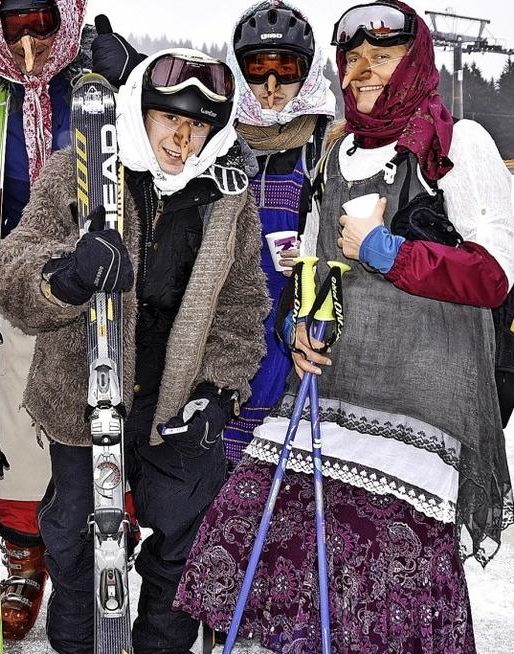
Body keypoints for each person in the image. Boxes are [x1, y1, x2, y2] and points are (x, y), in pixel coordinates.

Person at [175, 2, 514, 652]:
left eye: (382, 57)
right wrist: (303, 327)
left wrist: (385, 249)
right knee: (246, 533)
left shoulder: (455, 143)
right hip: (330, 398)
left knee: (379, 587)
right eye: (353, 58)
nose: (365, 72)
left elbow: (495, 273)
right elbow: (315, 262)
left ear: (413, 62)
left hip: (418, 414)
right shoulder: (337, 152)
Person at [0, 48, 270, 653]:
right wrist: (65, 275)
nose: (182, 137)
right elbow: (13, 271)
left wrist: (218, 392)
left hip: (176, 406)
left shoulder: (228, 196)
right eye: (169, 118)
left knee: (181, 550)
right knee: (74, 548)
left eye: (198, 124)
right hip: (83, 399)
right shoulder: (79, 170)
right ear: (138, 109)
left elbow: (243, 302)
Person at [0, 0, 94, 640]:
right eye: (16, 23)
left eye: (44, 21)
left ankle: (87, 554)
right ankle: (22, 550)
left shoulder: (93, 77)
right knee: (13, 417)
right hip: (12, 269)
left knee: (87, 415)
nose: (30, 37)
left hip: (90, 271)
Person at [219, 0, 336, 463]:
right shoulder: (220, 139)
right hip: (228, 323)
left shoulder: (326, 140)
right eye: (256, 70)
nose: (271, 88)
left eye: (286, 70)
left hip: (297, 326)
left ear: (307, 73)